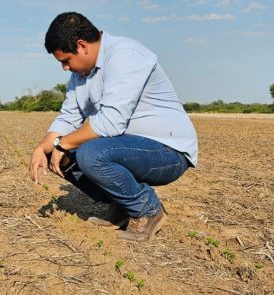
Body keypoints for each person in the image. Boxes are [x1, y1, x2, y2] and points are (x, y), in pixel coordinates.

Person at [29, 12, 199, 242]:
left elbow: (110, 121)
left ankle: (147, 210)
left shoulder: (125, 55)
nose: (65, 69)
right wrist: (43, 147)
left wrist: (63, 143)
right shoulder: (81, 75)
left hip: (168, 152)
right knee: (61, 154)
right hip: (127, 148)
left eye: (66, 60)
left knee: (90, 153)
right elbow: (68, 117)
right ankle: (124, 206)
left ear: (82, 46)